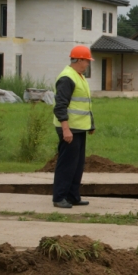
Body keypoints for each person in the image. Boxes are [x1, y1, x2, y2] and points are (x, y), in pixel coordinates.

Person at [52, 45, 95, 209]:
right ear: (79, 60)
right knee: (67, 164)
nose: (88, 64)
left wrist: (90, 124)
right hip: (69, 128)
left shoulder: (79, 76)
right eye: (86, 61)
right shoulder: (67, 77)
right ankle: (59, 197)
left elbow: (84, 104)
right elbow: (60, 106)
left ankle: (73, 196)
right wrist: (65, 129)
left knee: (77, 164)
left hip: (79, 127)